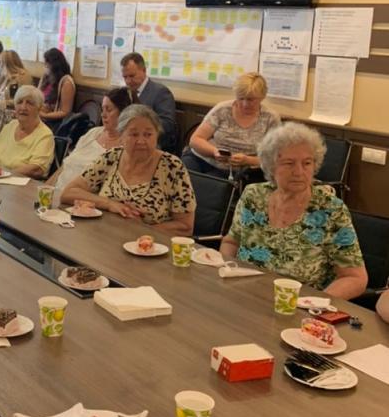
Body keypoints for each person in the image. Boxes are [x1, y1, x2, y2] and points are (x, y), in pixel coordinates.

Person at [219, 122, 367, 298]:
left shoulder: (330, 210)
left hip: (296, 305)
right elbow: (231, 243)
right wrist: (227, 272)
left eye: (307, 163)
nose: (299, 172)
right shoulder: (253, 195)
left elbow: (355, 278)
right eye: (289, 163)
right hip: (244, 295)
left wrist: (314, 303)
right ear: (271, 166)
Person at [61, 104, 195, 235]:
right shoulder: (111, 157)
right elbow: (68, 193)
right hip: (104, 236)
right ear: (121, 136)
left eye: (148, 134)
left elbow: (185, 226)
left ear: (157, 135)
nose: (141, 141)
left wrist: (142, 231)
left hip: (148, 244)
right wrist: (110, 204)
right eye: (134, 134)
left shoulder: (172, 167)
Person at [183, 72, 280, 179]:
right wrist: (214, 151)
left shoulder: (270, 118)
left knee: (210, 185)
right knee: (179, 175)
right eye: (241, 98)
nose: (245, 104)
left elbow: (274, 158)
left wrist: (248, 160)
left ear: (262, 97)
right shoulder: (223, 109)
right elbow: (195, 140)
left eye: (251, 99)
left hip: (237, 171)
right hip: (202, 158)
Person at [49, 86, 132, 201]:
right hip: (56, 193)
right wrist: (45, 188)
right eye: (102, 109)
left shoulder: (125, 147)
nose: (103, 115)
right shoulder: (93, 133)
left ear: (123, 113)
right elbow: (66, 165)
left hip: (80, 203)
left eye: (109, 110)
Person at [0, 86, 54, 178]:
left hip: (19, 183)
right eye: (19, 102)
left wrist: (3, 174)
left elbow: (36, 169)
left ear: (39, 108)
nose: (23, 107)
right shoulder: (11, 125)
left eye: (29, 103)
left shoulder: (45, 135)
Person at [120, 52, 178, 153]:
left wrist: (143, 126)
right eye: (125, 77)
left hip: (153, 145)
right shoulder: (124, 93)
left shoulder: (161, 92)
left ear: (144, 70)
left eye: (132, 76)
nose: (128, 81)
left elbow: (168, 125)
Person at [38, 48, 76, 127]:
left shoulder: (66, 82)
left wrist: (44, 115)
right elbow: (36, 95)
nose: (45, 66)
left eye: (47, 64)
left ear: (55, 66)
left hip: (52, 122)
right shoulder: (46, 77)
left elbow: (65, 112)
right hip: (39, 115)